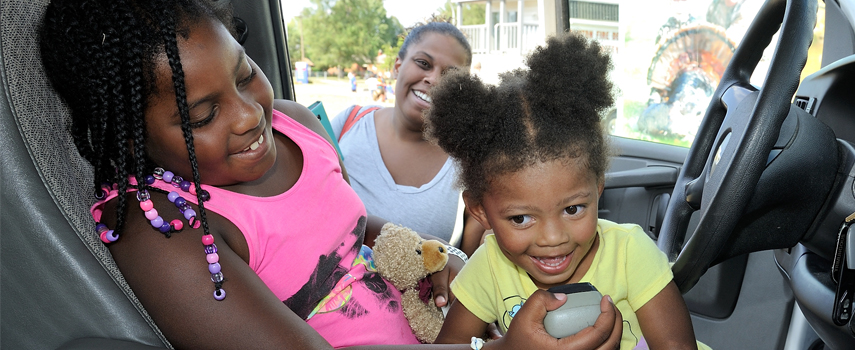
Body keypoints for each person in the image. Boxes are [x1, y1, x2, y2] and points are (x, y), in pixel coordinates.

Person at [38, 0, 623, 349]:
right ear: (130, 137)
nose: (250, 116)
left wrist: (434, 257)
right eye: (202, 116)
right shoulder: (163, 229)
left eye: (245, 76)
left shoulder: (295, 124)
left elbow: (347, 226)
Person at [426, 33, 710, 350]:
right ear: (479, 211)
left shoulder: (630, 253)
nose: (553, 238)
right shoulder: (490, 266)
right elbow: (447, 345)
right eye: (520, 218)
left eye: (572, 209)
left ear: (598, 187)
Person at [331, 20, 484, 252]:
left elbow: (469, 267)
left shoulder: (469, 161)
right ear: (397, 65)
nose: (433, 80)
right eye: (423, 63)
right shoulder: (348, 124)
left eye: (451, 76)